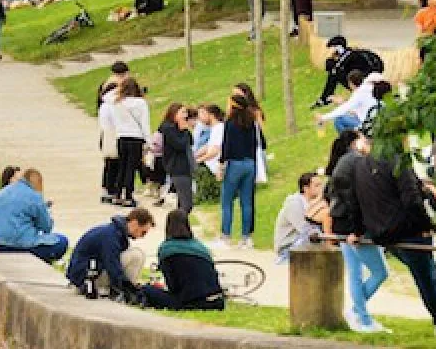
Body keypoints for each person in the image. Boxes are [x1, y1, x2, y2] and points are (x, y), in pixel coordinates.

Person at [344, 133, 436, 336]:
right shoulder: (397, 161)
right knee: (427, 276)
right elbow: (412, 199)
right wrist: (425, 224)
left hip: (383, 232)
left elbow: (355, 201)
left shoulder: (360, 165)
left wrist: (357, 229)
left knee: (429, 273)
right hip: (406, 229)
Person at [329, 131, 390, 333]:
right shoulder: (356, 162)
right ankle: (359, 314)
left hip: (342, 224)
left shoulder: (344, 163)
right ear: (356, 143)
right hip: (351, 226)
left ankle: (361, 315)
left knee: (355, 273)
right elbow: (355, 200)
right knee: (379, 272)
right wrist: (357, 229)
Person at [132, 210, 225, 311]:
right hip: (217, 301)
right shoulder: (201, 247)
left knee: (147, 289)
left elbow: (173, 286)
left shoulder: (167, 249)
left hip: (191, 302)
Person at [0, 169, 69, 263]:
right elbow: (46, 227)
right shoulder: (35, 196)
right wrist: (47, 212)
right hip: (15, 245)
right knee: (62, 241)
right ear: (38, 183)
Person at [66, 208, 155, 299]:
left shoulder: (114, 232)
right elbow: (112, 264)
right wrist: (129, 288)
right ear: (135, 223)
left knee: (134, 253)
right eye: (143, 232)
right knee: (136, 255)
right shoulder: (111, 236)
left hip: (87, 274)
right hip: (86, 279)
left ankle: (121, 289)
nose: (142, 236)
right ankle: (124, 293)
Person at [217, 92, 264, 249]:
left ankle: (226, 236)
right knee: (247, 202)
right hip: (250, 163)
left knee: (227, 201)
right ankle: (246, 237)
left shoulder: (230, 123)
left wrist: (221, 163)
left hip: (235, 164)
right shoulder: (251, 122)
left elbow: (226, 145)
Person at [103, 79, 153, 207]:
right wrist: (149, 142)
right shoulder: (140, 103)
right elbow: (144, 123)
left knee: (122, 167)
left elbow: (105, 96)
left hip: (121, 137)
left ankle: (118, 194)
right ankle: (128, 196)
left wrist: (118, 88)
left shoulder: (117, 101)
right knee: (131, 168)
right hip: (135, 138)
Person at [314, 36, 384, 108]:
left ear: (339, 47)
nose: (333, 51)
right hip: (364, 79)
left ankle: (324, 98)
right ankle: (325, 98)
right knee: (335, 73)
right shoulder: (351, 53)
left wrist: (333, 61)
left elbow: (333, 67)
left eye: (334, 48)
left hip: (363, 82)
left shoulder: (348, 55)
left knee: (334, 73)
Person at [273, 172, 328, 264]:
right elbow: (305, 229)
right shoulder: (294, 203)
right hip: (288, 247)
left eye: (321, 185)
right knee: (313, 232)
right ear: (306, 188)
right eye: (317, 185)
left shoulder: (315, 202)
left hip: (304, 243)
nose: (321, 189)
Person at [96, 63, 131, 203]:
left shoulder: (106, 86)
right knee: (113, 161)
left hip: (107, 132)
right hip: (112, 132)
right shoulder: (112, 90)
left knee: (111, 162)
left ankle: (109, 187)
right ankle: (111, 188)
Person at [155, 103, 196, 213]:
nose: (185, 115)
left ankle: (180, 223)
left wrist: (185, 130)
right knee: (186, 203)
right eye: (182, 112)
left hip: (185, 167)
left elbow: (191, 142)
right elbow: (180, 145)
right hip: (177, 167)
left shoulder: (180, 129)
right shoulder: (168, 129)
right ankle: (180, 224)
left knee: (185, 201)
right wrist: (184, 131)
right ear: (174, 114)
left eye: (186, 112)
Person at [317, 71, 381, 133]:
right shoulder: (370, 88)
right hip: (378, 123)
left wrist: (323, 117)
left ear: (351, 83)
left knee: (339, 119)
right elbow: (356, 108)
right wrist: (343, 102)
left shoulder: (359, 93)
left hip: (369, 125)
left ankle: (348, 140)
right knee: (349, 115)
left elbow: (343, 110)